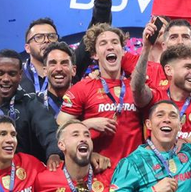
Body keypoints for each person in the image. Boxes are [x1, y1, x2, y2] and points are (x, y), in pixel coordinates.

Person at [0, 49, 60, 168]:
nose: (6, 79)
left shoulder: (31, 103)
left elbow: (49, 131)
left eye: (12, 74)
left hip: (24, 176)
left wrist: (54, 153)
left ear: (20, 75)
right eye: (0, 73)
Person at [59, 25, 144, 164]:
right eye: (103, 43)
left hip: (135, 173)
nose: (110, 47)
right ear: (95, 54)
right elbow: (60, 129)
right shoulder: (81, 89)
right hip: (100, 172)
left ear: (122, 51)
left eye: (115, 42)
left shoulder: (137, 88)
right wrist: (87, 124)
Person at [133, 40, 191, 144]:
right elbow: (137, 88)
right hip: (153, 158)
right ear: (169, 70)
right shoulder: (155, 97)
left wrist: (178, 145)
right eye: (188, 67)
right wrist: (146, 49)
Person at [39, 42, 76, 116]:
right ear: (45, 71)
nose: (59, 69)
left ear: (73, 70)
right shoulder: (35, 103)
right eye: (53, 63)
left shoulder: (85, 100)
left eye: (64, 63)